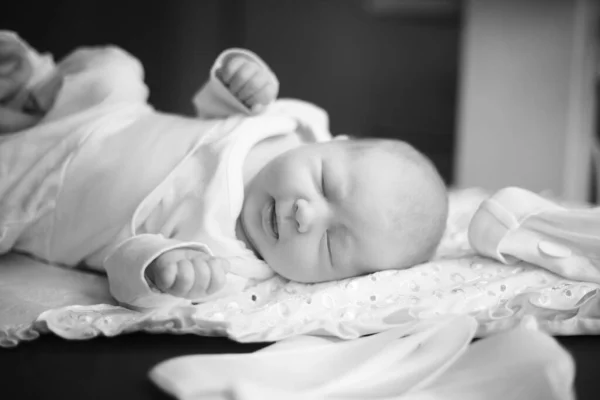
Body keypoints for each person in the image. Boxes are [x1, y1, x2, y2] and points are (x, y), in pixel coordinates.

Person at [0, 31, 448, 309]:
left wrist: (160, 267)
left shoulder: (228, 267)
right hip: (105, 117)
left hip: (44, 201)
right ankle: (30, 88)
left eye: (330, 244)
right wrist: (242, 79)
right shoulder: (286, 126)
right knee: (116, 70)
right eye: (326, 184)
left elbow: (124, 269)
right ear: (334, 144)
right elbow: (213, 108)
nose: (306, 215)